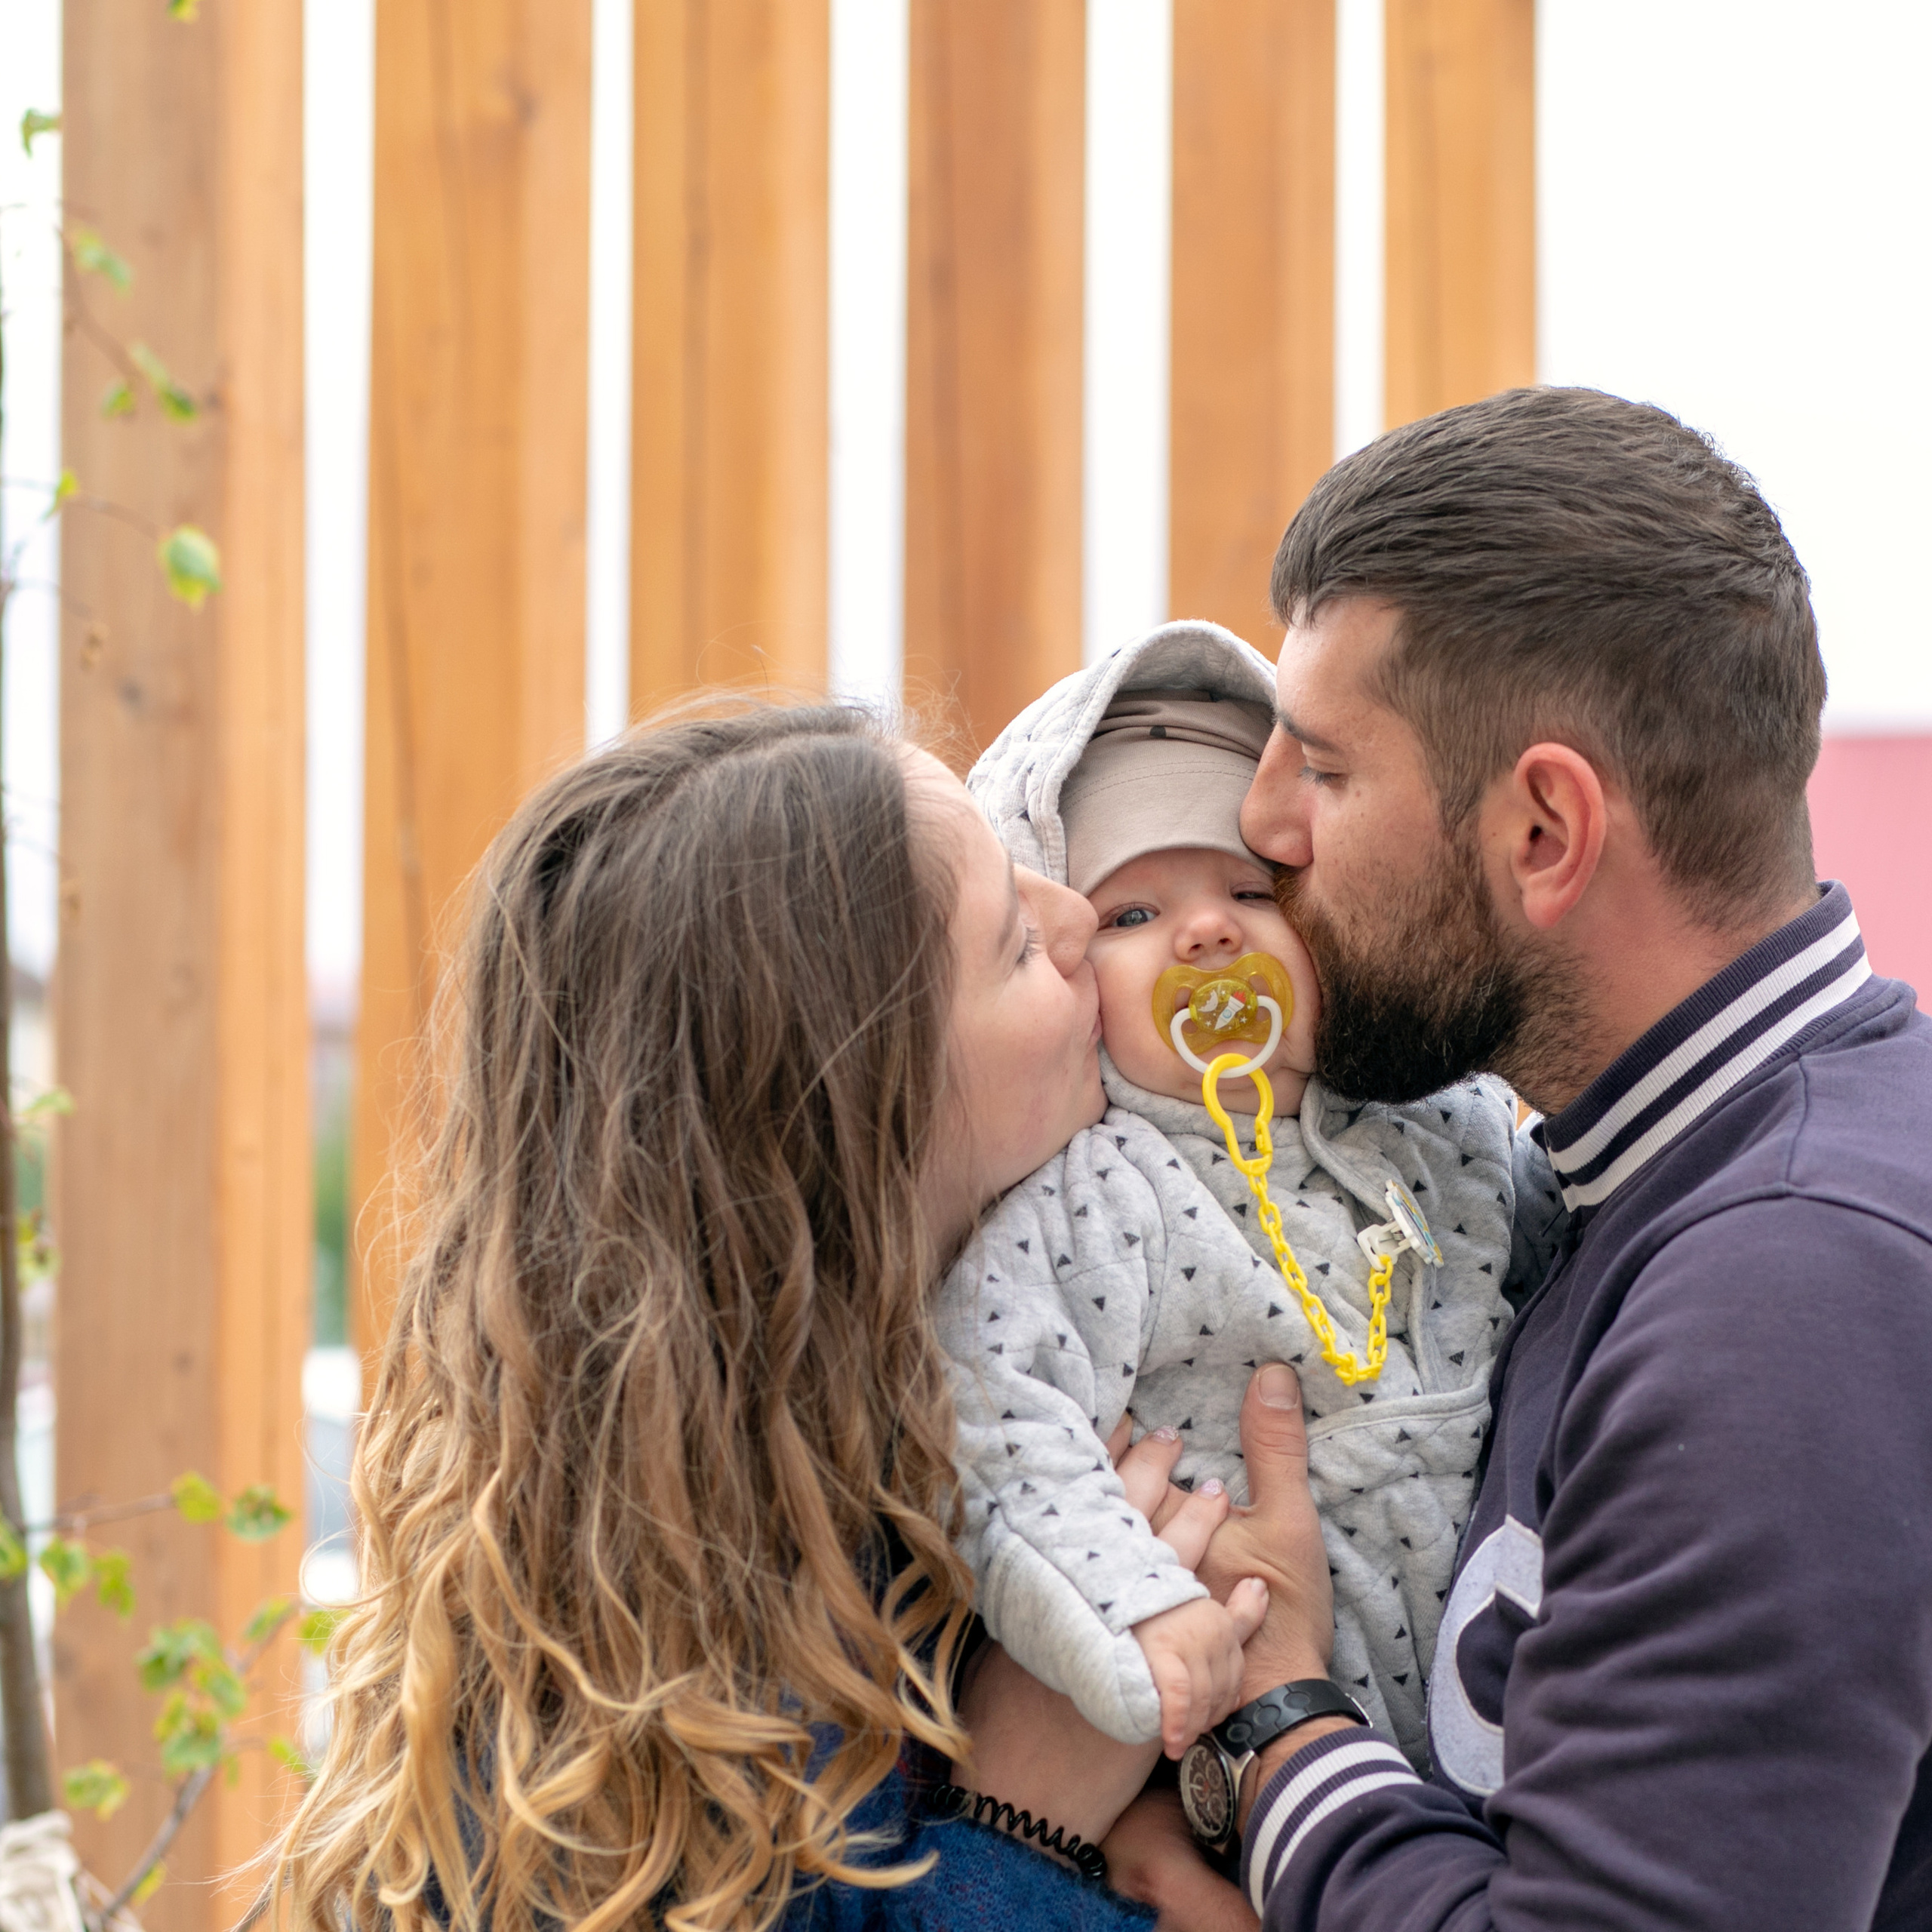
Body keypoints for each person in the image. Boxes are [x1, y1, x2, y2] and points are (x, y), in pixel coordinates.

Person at [271, 703, 1263, 1932]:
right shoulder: (679, 1614)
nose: (1077, 920)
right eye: (1014, 946)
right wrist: (1026, 1817)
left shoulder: (1041, 1360)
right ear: (865, 1121)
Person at [1204, 387, 1932, 1929]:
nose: (1262, 822)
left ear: (1543, 830)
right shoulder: (1646, 1181)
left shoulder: (1791, 1283)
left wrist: (1280, 1735)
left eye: (1323, 767)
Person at [934, 624, 1561, 1765]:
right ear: (1065, 966)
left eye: (1248, 889)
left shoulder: (1448, 1120)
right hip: (1242, 1721)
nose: (1209, 928)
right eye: (1130, 916)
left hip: (1500, 1707)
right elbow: (991, 1410)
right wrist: (1138, 1611)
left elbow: (1577, 1260)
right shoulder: (1101, 1197)